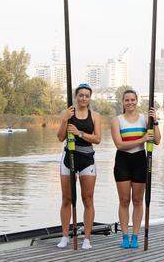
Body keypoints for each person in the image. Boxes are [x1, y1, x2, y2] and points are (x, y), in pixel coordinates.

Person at [111, 89, 161, 249]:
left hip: (140, 160)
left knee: (138, 200)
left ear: (137, 101)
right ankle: (125, 236)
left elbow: (157, 141)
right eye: (127, 100)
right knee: (124, 200)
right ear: (123, 102)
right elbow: (119, 144)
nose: (130, 102)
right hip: (123, 161)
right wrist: (142, 139)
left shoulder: (145, 119)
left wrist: (155, 121)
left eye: (133, 100)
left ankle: (135, 236)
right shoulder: (116, 121)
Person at [56, 84, 102, 250]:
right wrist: (64, 120)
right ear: (76, 97)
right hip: (69, 157)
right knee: (67, 198)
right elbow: (60, 137)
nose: (83, 98)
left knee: (87, 199)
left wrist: (79, 133)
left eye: (86, 96)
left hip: (87, 159)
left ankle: (87, 239)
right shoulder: (67, 113)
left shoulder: (95, 116)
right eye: (80, 95)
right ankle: (64, 236)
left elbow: (97, 139)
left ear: (90, 98)